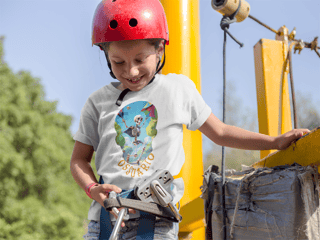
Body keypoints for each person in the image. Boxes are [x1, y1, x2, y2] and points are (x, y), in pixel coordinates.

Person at [70, 0, 310, 239]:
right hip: (106, 222)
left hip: (155, 222)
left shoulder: (177, 90)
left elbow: (221, 132)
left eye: (140, 59)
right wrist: (93, 189)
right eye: (118, 62)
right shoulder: (98, 101)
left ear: (159, 51)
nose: (131, 71)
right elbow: (79, 160)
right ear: (106, 55)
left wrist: (275, 141)